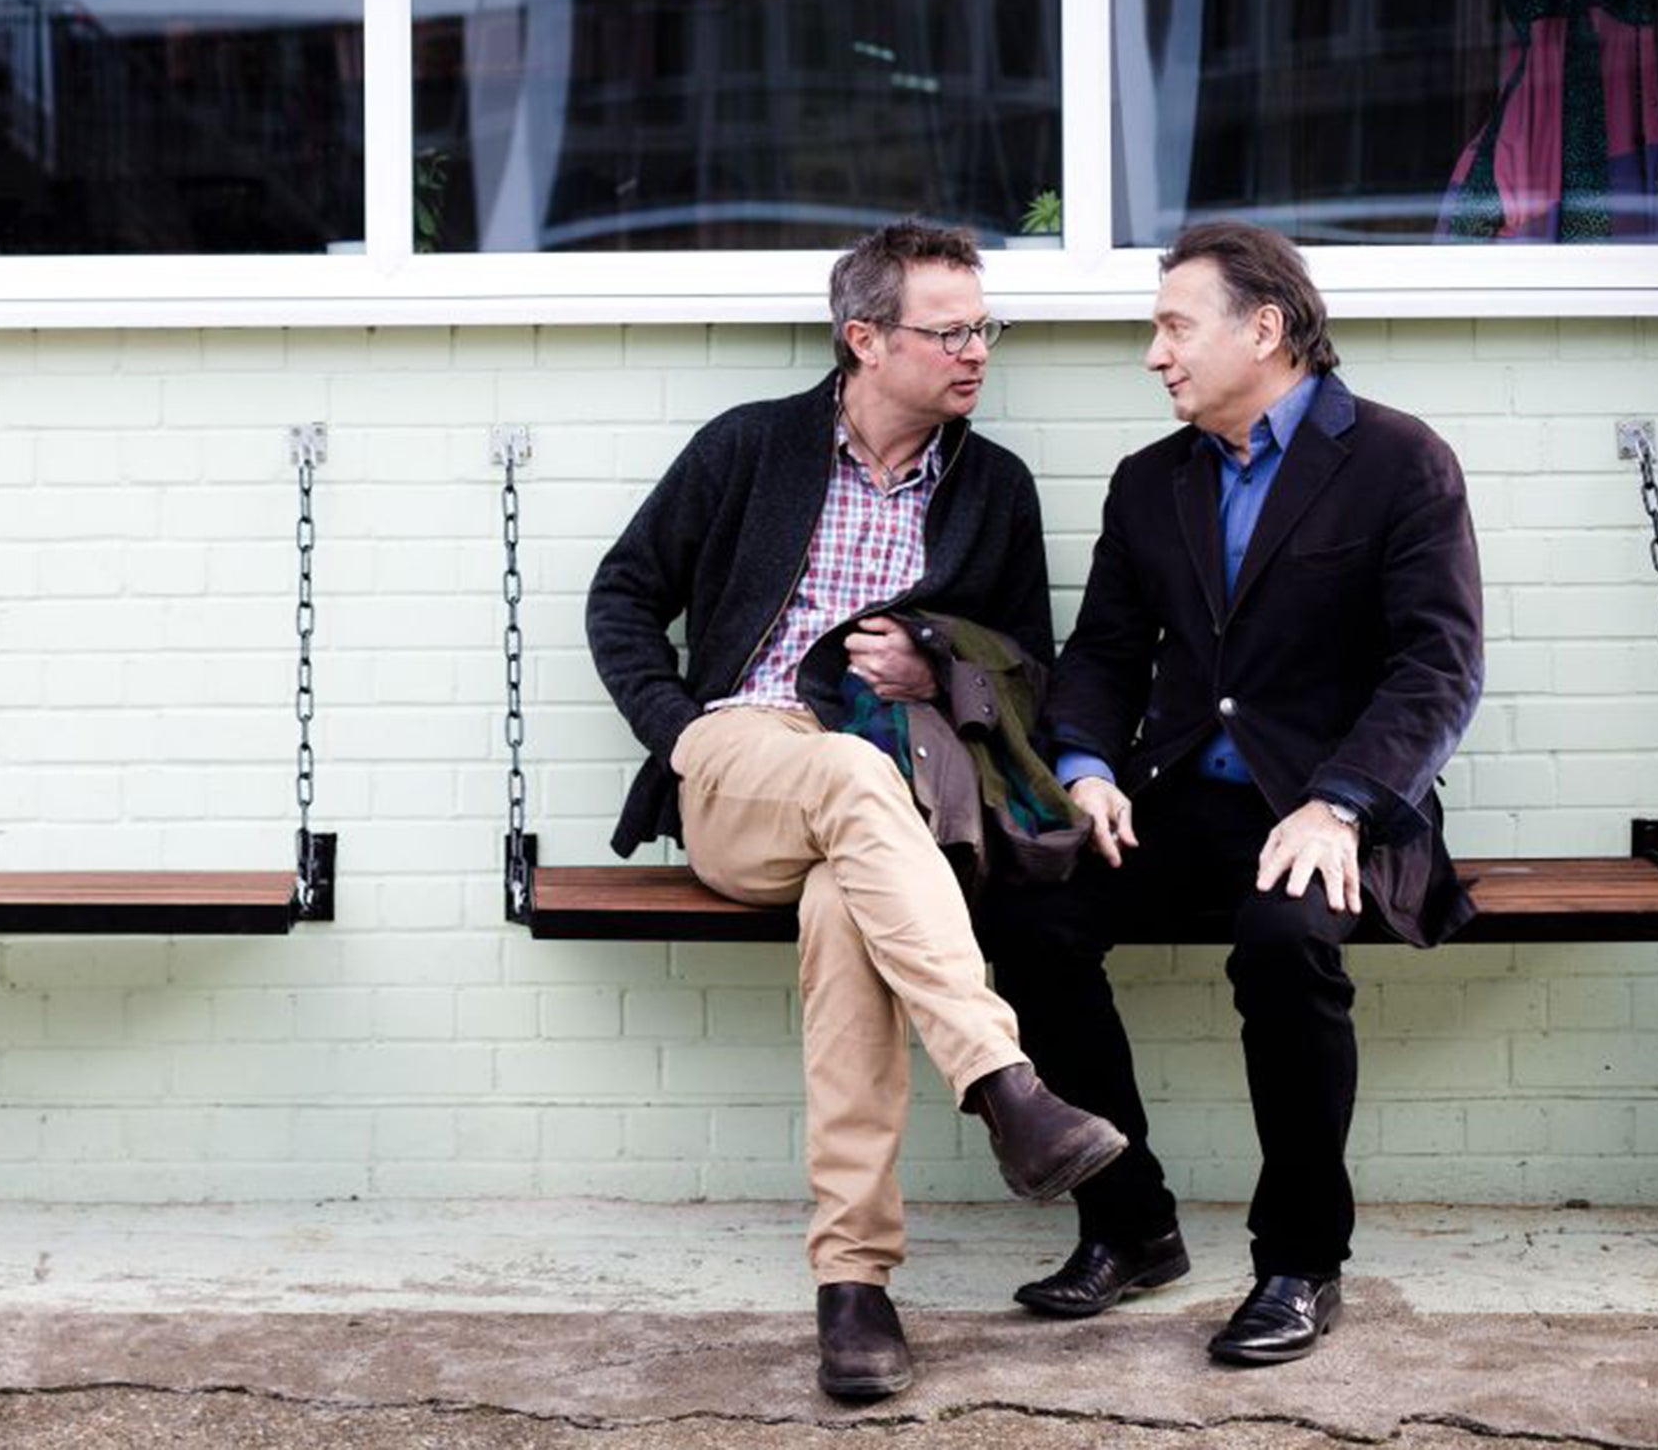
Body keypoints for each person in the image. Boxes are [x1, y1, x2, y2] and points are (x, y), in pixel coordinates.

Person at [587, 221, 1125, 1402]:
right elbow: (621, 595)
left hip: (886, 800)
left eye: (984, 328)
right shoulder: (750, 449)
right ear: (863, 339)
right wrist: (677, 732)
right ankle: (1001, 1083)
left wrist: (939, 672)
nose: (976, 351)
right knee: (842, 782)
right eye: (949, 331)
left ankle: (854, 1291)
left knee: (846, 916)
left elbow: (1027, 665)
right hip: (745, 759)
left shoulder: (993, 488)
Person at [986, 220, 1483, 1366]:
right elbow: (1104, 652)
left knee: (1281, 942)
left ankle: (1299, 1264)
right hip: (1177, 799)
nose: (1153, 354)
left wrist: (1341, 804)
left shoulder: (1399, 461)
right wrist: (1087, 771)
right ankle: (1129, 1220)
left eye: (1171, 326)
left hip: (1336, 804)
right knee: (1027, 916)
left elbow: (1435, 665)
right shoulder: (1149, 481)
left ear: (1263, 328)